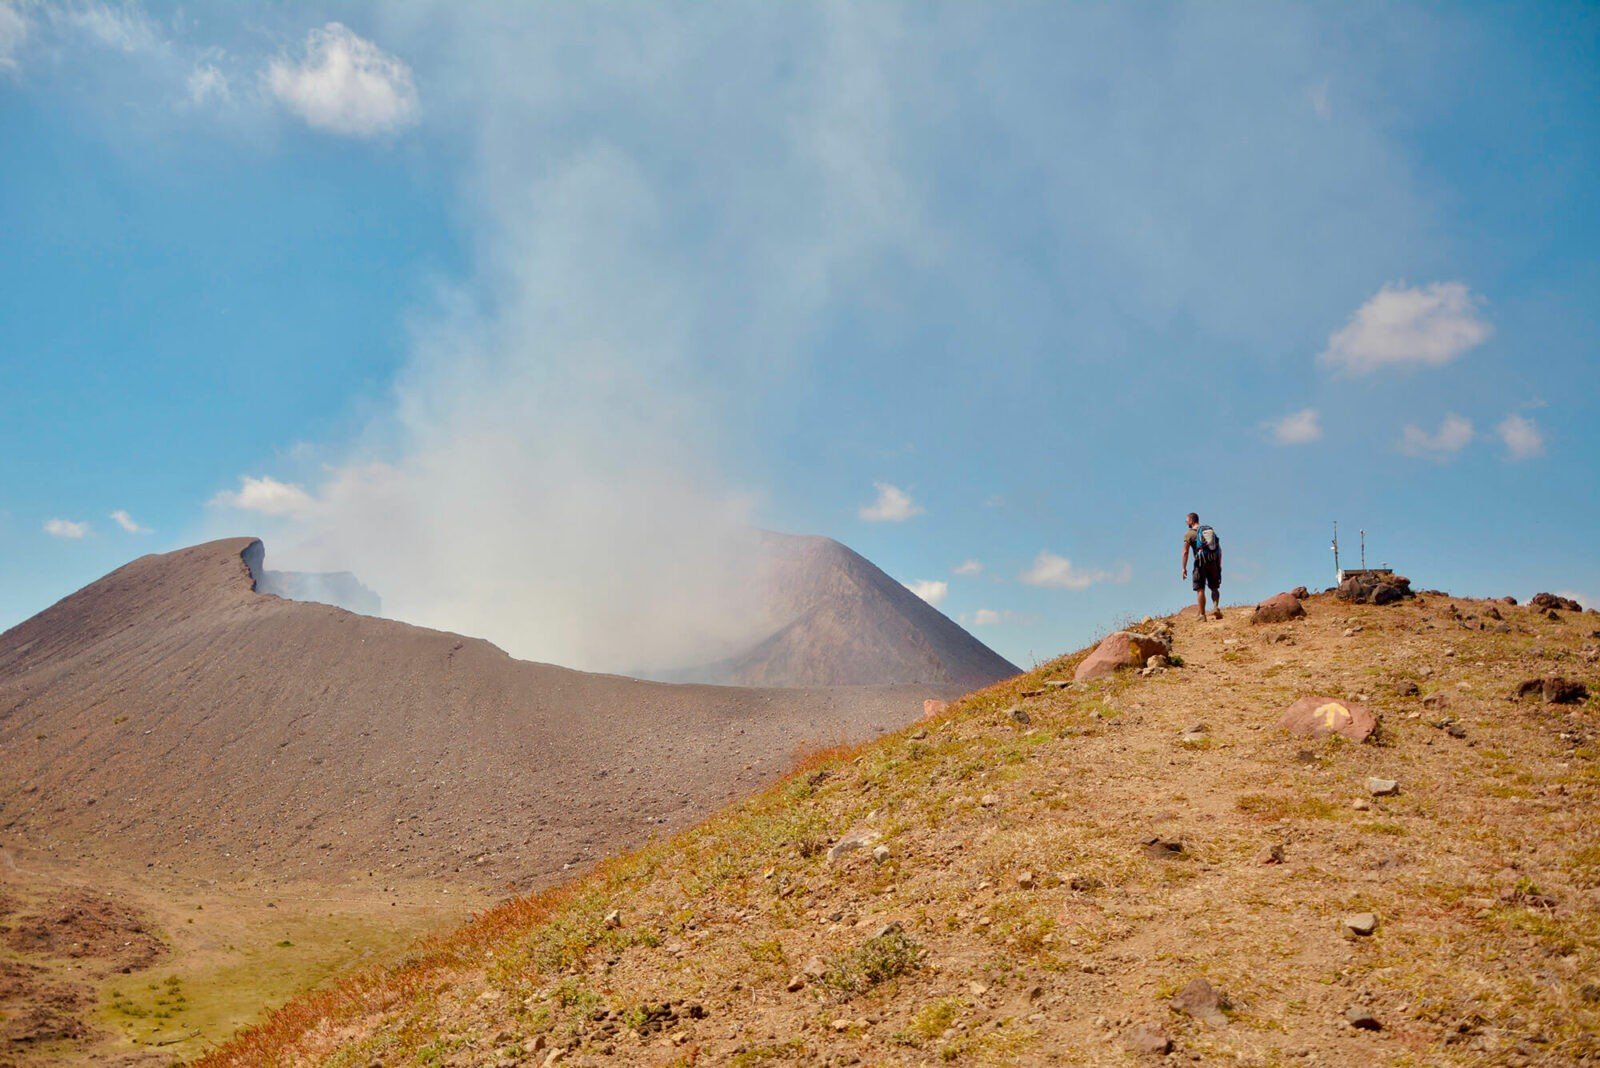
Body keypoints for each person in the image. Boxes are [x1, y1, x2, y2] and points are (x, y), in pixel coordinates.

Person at [1181, 512, 1222, 620]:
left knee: (1200, 589)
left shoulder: (1189, 534)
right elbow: (1219, 549)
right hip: (1212, 561)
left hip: (1199, 563)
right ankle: (1216, 607)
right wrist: (1218, 564)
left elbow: (1185, 552)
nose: (1186, 522)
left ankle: (1202, 615)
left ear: (1191, 520)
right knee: (1214, 587)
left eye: (1187, 520)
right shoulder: (1208, 531)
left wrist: (1184, 568)